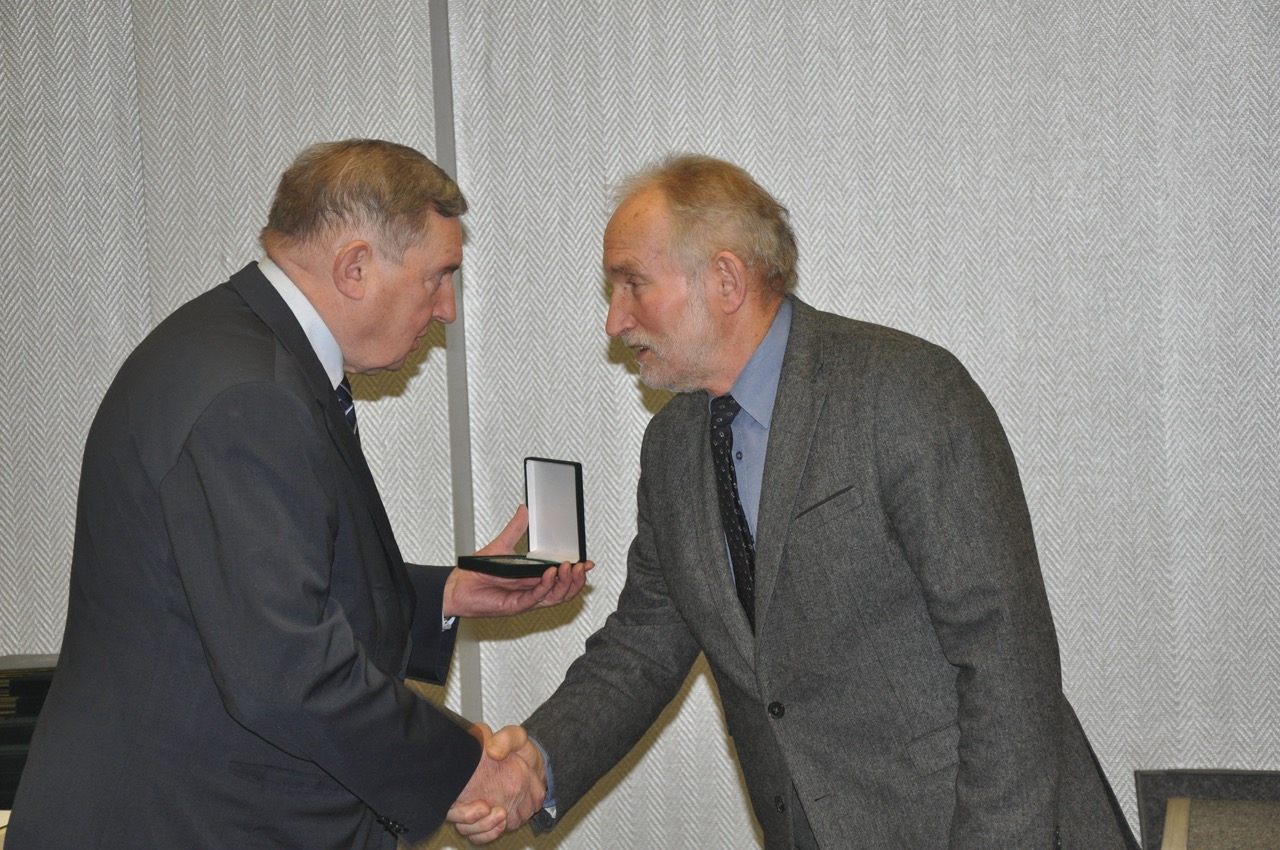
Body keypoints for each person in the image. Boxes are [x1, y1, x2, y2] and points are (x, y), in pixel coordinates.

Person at [450, 155, 1138, 849]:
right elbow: (644, 644)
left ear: (726, 280)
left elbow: (1005, 652)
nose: (615, 320)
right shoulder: (671, 446)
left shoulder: (904, 391)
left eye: (633, 284)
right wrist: (538, 761)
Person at [7, 139, 588, 850]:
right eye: (438, 277)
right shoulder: (250, 394)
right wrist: (465, 770)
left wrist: (444, 594)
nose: (446, 309)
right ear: (354, 267)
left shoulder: (236, 346)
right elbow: (287, 668)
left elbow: (245, 594)